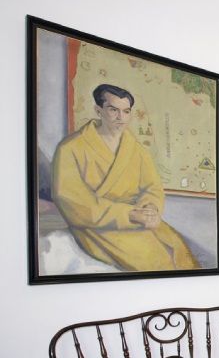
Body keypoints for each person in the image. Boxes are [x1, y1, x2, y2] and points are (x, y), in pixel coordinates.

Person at [51, 84, 198, 271]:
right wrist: (127, 214)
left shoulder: (136, 149)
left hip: (138, 217)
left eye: (126, 111)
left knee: (179, 249)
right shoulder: (70, 148)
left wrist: (151, 208)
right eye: (113, 110)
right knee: (155, 260)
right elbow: (73, 201)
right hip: (98, 224)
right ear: (99, 110)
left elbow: (152, 187)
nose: (121, 117)